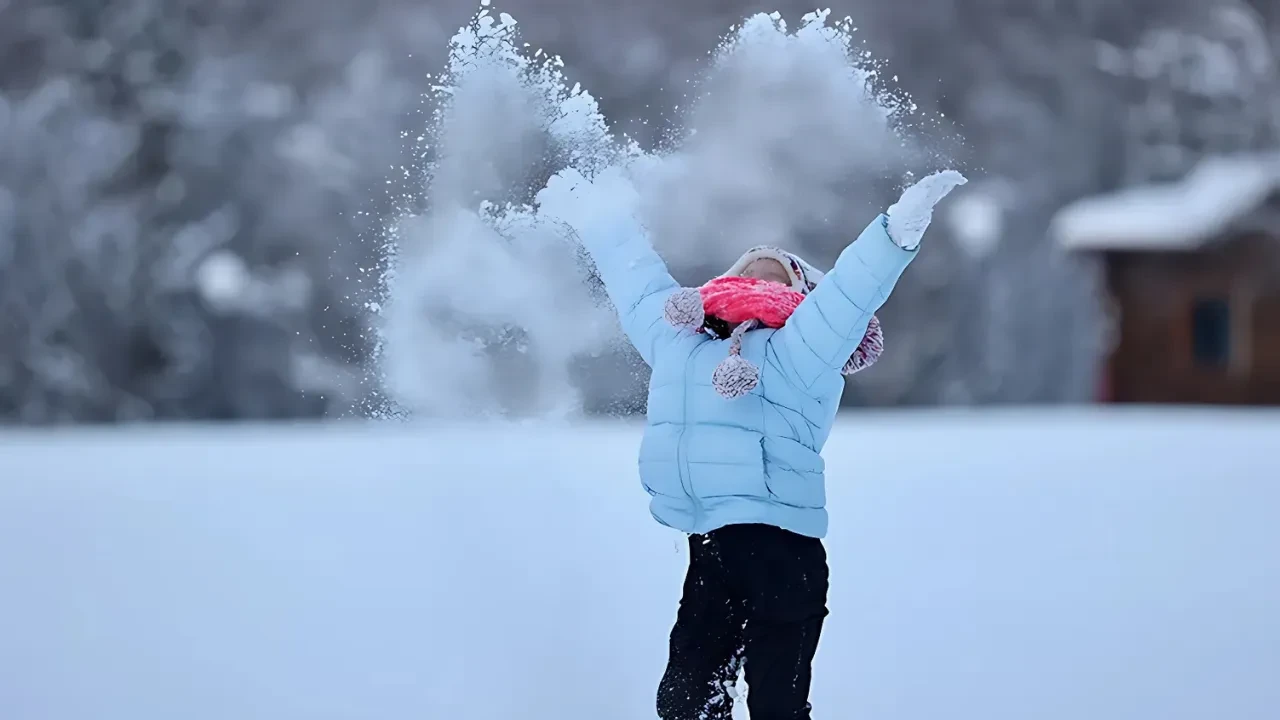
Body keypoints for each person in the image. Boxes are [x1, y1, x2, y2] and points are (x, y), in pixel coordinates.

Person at [554, 169, 964, 720]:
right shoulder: (679, 341)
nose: (761, 273)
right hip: (712, 548)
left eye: (778, 274)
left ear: (800, 295)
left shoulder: (805, 347)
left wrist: (896, 232)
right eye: (750, 268)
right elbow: (638, 284)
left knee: (776, 707)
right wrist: (599, 218)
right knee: (684, 703)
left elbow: (850, 291)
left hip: (784, 552)